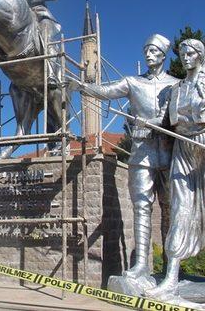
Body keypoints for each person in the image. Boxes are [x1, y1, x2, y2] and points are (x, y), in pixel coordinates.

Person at [69, 33, 178, 279]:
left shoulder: (176, 85)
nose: (148, 55)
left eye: (153, 51)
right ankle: (141, 264)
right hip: (142, 151)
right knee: (141, 207)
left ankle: (171, 266)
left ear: (163, 54)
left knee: (170, 208)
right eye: (146, 51)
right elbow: (106, 92)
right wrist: (83, 86)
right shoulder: (133, 82)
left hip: (170, 152)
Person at [147, 39, 205, 299]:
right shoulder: (176, 89)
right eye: (182, 54)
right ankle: (170, 278)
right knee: (180, 211)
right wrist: (144, 121)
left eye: (190, 53)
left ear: (201, 56)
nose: (185, 58)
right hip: (183, 151)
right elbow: (166, 121)